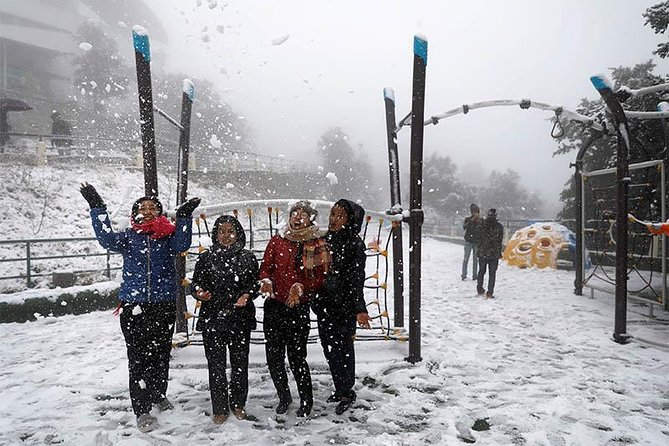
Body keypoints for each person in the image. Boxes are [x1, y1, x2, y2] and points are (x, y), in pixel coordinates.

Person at [80, 183, 200, 433]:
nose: (147, 211)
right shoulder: (128, 237)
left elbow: (182, 244)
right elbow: (105, 239)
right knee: (138, 359)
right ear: (135, 213)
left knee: (159, 355)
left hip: (163, 305)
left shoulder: (168, 237)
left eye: (153, 207)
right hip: (134, 306)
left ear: (160, 213)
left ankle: (158, 394)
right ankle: (142, 408)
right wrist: (97, 207)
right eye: (142, 207)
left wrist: (185, 216)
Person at [259, 200, 330, 418]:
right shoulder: (277, 240)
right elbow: (265, 268)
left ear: (311, 219)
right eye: (294, 214)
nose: (297, 218)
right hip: (274, 306)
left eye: (303, 214)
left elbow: (320, 277)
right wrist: (266, 281)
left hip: (298, 309)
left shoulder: (317, 242)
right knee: (273, 356)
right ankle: (284, 396)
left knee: (297, 357)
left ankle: (306, 400)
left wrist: (300, 288)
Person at [191, 215, 259, 425]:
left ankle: (238, 403)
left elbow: (255, 284)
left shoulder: (248, 257)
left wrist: (246, 295)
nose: (226, 236)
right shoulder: (206, 258)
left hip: (240, 318)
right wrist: (199, 293)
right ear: (215, 234)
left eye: (231, 231)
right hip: (213, 318)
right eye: (222, 231)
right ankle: (219, 407)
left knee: (240, 363)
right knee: (216, 365)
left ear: (238, 233)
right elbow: (195, 284)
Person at [312, 199, 372, 415]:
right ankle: (340, 387)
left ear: (350, 220)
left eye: (340, 216)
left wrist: (359, 309)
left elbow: (357, 279)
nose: (334, 219)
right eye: (332, 214)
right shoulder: (324, 240)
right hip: (325, 305)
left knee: (343, 349)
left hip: (344, 307)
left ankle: (347, 391)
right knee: (329, 348)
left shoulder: (355, 244)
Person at [476, 208, 505, 299]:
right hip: (494, 253)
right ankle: (490, 292)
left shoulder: (482, 224)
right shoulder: (499, 227)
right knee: (492, 273)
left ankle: (480, 288)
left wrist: (479, 249)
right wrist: (499, 252)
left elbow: (478, 237)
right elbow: (499, 241)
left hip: (483, 252)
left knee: (481, 271)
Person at [461, 203, 481, 281]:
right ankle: (464, 274)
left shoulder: (480, 221)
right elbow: (464, 227)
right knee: (466, 259)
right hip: (468, 241)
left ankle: (475, 275)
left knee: (476, 260)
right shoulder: (468, 219)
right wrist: (472, 221)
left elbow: (482, 229)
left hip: (476, 242)